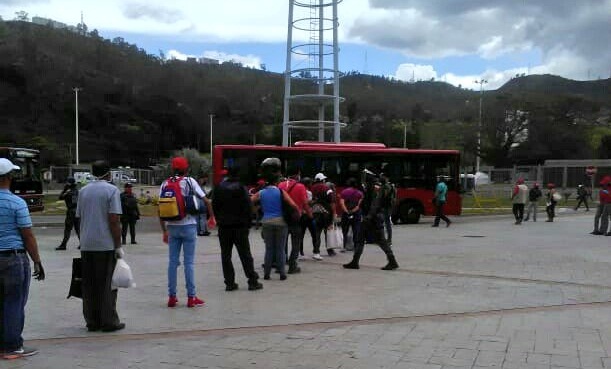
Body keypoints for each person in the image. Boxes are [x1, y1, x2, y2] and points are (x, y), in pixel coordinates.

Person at [0, 158, 44, 359]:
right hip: (13, 258)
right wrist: (37, 260)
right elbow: (27, 235)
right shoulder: (16, 203)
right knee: (14, 302)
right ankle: (12, 346)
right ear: (8, 177)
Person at [76, 160, 125, 332]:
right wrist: (118, 245)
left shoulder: (83, 191)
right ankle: (109, 321)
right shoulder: (112, 191)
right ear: (108, 173)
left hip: (87, 244)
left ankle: (92, 320)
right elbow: (114, 220)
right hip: (105, 244)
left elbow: (80, 217)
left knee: (89, 284)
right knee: (107, 284)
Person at [159, 157, 206, 308]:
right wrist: (212, 219)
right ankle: (191, 298)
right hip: (189, 226)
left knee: (172, 262)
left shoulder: (165, 183)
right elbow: (205, 200)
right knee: (189, 263)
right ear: (186, 169)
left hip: (172, 227)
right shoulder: (190, 181)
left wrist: (164, 230)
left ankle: (172, 297)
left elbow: (160, 208)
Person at [211, 166, 262, 291]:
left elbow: (214, 205)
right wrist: (248, 223)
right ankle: (252, 280)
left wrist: (219, 220)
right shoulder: (241, 187)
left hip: (224, 226)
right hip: (240, 226)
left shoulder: (219, 187)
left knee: (226, 255)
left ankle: (229, 282)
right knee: (245, 254)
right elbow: (248, 206)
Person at [250, 158, 298, 281]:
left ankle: (267, 274)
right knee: (280, 249)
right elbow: (293, 206)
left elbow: (249, 202)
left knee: (269, 249)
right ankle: (282, 273)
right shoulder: (281, 192)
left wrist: (257, 208)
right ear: (276, 181)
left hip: (266, 222)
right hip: (281, 222)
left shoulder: (261, 193)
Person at [343, 176, 399, 271]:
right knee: (362, 238)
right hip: (373, 218)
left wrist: (369, 217)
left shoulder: (373, 191)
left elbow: (375, 204)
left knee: (379, 240)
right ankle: (355, 261)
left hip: (372, 218)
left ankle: (392, 261)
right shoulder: (377, 189)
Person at [278, 166, 312, 274]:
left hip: (283, 216)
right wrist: (310, 214)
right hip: (296, 217)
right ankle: (292, 266)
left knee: (283, 241)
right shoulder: (301, 186)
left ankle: (282, 263)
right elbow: (305, 203)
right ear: (297, 174)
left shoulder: (280, 185)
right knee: (296, 241)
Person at [310, 172, 337, 259]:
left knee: (317, 233)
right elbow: (332, 202)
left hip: (315, 213)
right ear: (323, 180)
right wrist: (334, 214)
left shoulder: (312, 188)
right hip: (326, 213)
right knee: (328, 232)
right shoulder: (327, 188)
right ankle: (330, 250)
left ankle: (316, 252)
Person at [339, 177, 363, 253]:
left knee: (344, 230)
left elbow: (342, 203)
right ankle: (356, 247)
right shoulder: (360, 193)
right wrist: (353, 211)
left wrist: (347, 211)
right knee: (356, 230)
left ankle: (344, 246)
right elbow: (358, 205)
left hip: (346, 214)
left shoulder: (344, 192)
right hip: (356, 214)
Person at [56, 177, 80, 250]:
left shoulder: (69, 192)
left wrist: (64, 190)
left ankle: (63, 245)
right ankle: (82, 243)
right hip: (77, 211)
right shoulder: (77, 191)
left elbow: (60, 197)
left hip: (71, 212)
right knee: (78, 229)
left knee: (68, 229)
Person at [379, 172, 396, 245]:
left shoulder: (385, 186)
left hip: (385, 206)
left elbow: (383, 196)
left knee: (385, 223)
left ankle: (387, 240)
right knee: (386, 222)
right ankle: (388, 239)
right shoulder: (392, 186)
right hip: (389, 206)